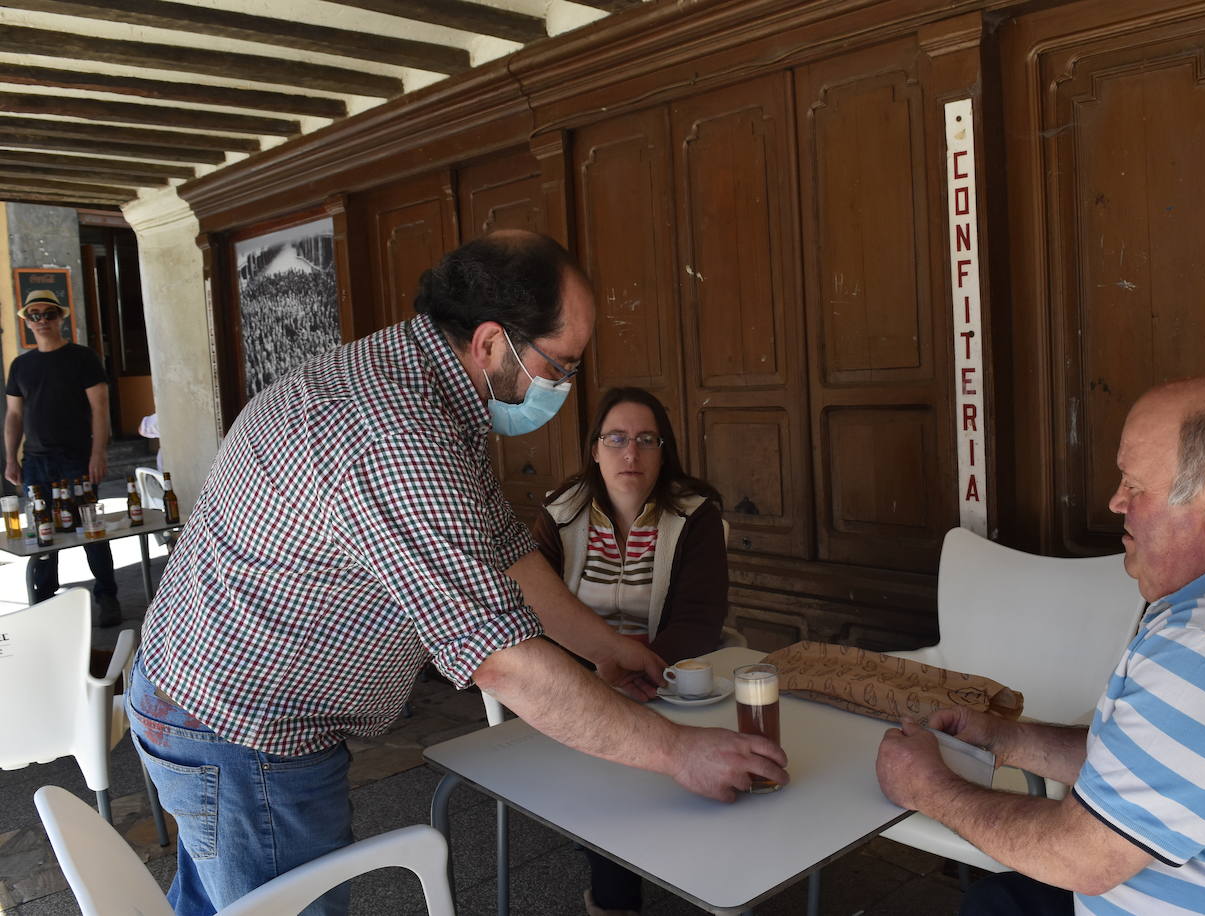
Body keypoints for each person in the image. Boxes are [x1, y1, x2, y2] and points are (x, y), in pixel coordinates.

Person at [127, 231, 787, 916]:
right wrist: (682, 753)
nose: (567, 386)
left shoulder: (422, 383)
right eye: (560, 365)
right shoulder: (397, 435)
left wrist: (604, 648)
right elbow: (501, 662)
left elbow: (506, 549)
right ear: (492, 344)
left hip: (200, 701)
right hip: (242, 733)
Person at [876, 369, 1205, 915]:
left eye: (1135, 486)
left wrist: (926, 789)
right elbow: (1155, 759)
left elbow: (1081, 859)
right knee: (996, 901)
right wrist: (1005, 738)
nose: (1116, 503)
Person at [533, 386, 729, 916]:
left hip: (665, 679)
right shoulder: (561, 513)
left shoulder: (695, 515)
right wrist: (593, 680)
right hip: (581, 683)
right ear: (595, 448)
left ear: (663, 451)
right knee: (609, 778)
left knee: (617, 778)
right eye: (616, 438)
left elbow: (699, 619)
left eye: (647, 439)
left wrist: (647, 676)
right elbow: (533, 612)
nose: (631, 453)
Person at [3, 288, 120, 625]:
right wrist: (10, 458)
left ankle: (107, 595)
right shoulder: (21, 365)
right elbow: (13, 415)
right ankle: (44, 600)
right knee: (43, 531)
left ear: (60, 318)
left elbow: (100, 409)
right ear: (27, 321)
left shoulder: (83, 357)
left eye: (48, 314)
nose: (42, 320)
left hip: (77, 458)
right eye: (34, 315)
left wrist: (98, 453)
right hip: (36, 461)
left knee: (91, 530)